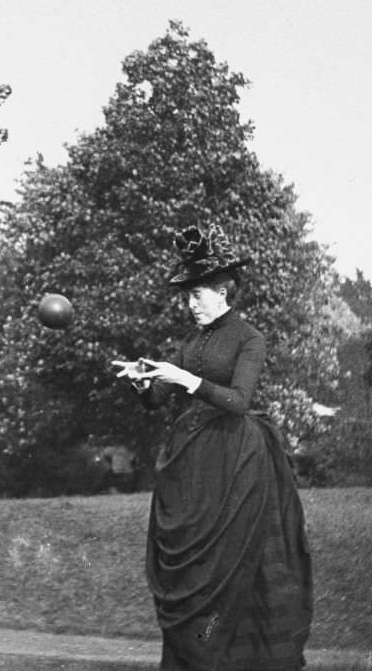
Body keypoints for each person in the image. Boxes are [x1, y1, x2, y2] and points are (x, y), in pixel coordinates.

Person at [113, 224, 313, 671]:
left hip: (236, 462)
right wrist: (141, 382)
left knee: (226, 568)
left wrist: (185, 379)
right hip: (193, 464)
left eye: (196, 295)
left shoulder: (249, 338)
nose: (189, 305)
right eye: (186, 296)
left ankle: (227, 657)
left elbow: (239, 402)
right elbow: (156, 400)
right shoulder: (192, 342)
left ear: (223, 291)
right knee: (191, 569)